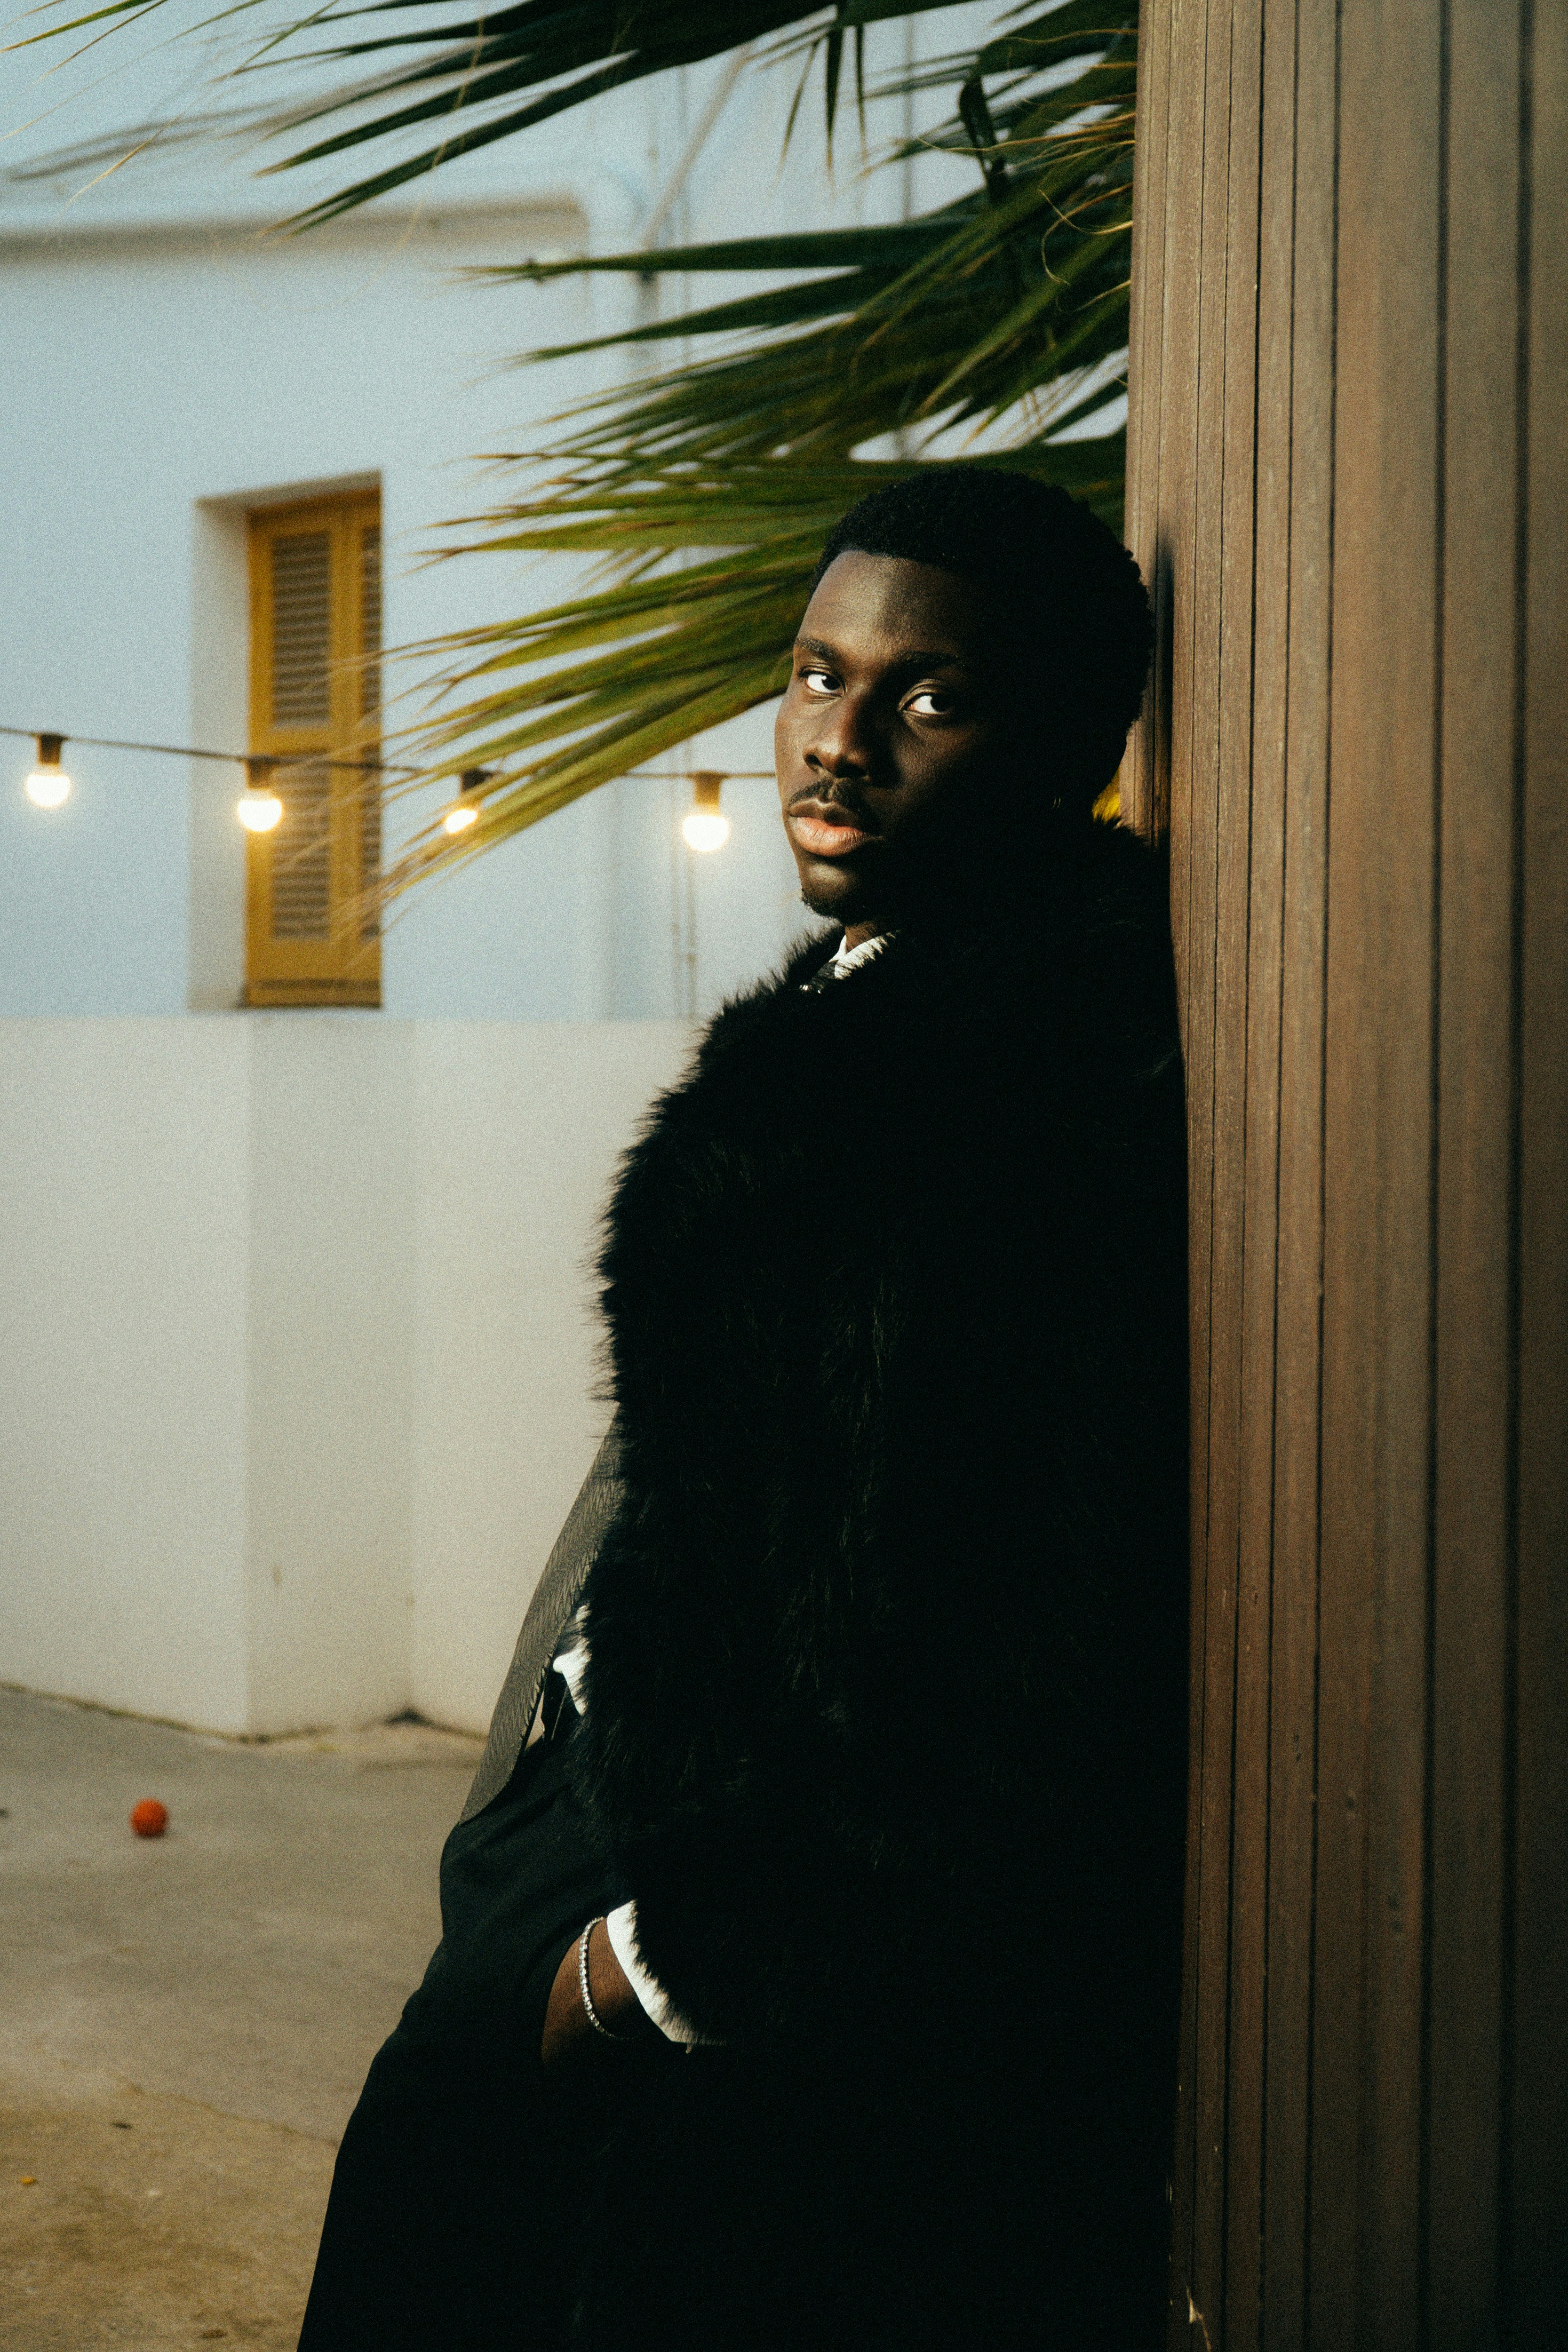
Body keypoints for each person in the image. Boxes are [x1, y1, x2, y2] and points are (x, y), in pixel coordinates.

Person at [298, 468, 1189, 2351]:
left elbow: (1002, 1618)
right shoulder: (875, 1006)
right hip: (600, 1842)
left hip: (716, 1944)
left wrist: (646, 1972)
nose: (835, 745)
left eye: (926, 698)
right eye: (813, 675)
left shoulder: (1015, 1084)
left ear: (1068, 747)